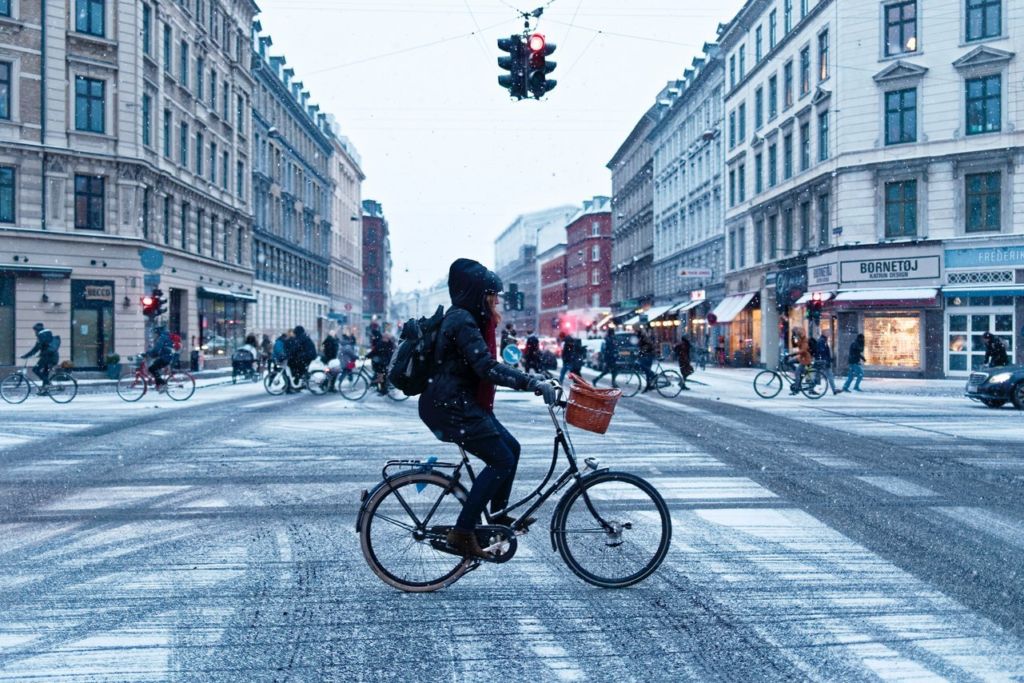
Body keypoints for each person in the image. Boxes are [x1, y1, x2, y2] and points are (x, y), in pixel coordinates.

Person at [419, 258, 555, 559]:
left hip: (458, 402)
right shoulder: (462, 321)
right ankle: (463, 533)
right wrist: (529, 382)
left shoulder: (467, 318)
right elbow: (486, 368)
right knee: (501, 461)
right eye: (492, 296)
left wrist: (532, 379)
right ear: (478, 295)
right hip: (451, 406)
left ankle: (497, 517)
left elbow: (483, 365)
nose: (496, 302)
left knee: (512, 448)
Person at [21, 322, 59, 391]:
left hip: (48, 358)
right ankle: (45, 390)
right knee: (45, 374)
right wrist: (40, 354)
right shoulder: (46, 334)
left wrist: (26, 356)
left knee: (35, 369)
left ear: (37, 330)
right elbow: (44, 347)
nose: (34, 333)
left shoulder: (41, 335)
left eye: (35, 331)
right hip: (53, 357)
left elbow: (36, 348)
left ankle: (48, 383)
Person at [146, 325, 176, 392]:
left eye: (156, 332)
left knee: (151, 368)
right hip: (168, 357)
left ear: (159, 331)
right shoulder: (166, 336)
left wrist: (149, 353)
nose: (156, 334)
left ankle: (162, 384)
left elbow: (157, 349)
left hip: (165, 358)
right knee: (155, 367)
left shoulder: (162, 338)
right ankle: (159, 385)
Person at [788, 328, 812, 394]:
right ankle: (800, 372)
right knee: (789, 362)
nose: (798, 334)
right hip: (801, 357)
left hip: (805, 358)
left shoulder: (805, 340)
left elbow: (803, 350)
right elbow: (795, 345)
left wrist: (793, 354)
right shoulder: (799, 338)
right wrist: (793, 337)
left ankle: (796, 389)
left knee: (797, 373)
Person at [636, 326, 658, 392]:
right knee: (646, 371)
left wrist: (641, 352)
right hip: (647, 355)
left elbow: (647, 347)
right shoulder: (643, 338)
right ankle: (648, 386)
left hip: (648, 355)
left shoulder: (644, 339)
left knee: (645, 368)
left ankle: (653, 375)